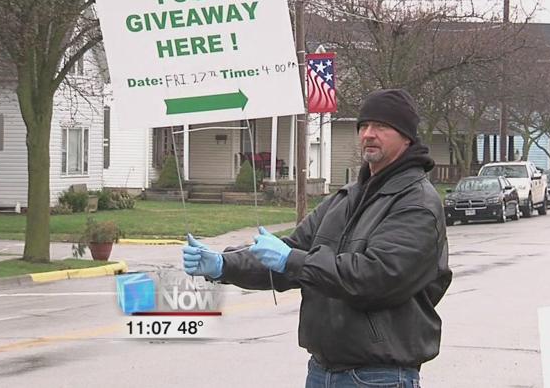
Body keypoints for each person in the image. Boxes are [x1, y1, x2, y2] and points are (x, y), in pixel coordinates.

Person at [182, 88, 452, 388]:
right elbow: (291, 251)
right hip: (322, 371)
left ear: (407, 137)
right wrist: (223, 265)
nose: (369, 134)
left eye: (382, 127)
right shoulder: (346, 198)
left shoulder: (417, 203)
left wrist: (293, 261)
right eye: (364, 126)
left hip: (379, 376)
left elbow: (378, 277)